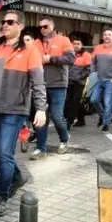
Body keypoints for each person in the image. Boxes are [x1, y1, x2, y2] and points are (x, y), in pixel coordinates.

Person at [0, 10, 46, 217]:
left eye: (11, 22)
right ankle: (18, 177)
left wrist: (41, 108)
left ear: (20, 26)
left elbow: (38, 82)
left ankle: (0, 196)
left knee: (5, 152)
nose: (5, 25)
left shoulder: (30, 50)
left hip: (15, 108)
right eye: (4, 22)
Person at [30, 17, 74, 159]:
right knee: (41, 117)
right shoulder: (36, 43)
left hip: (58, 84)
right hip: (40, 85)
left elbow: (70, 59)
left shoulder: (63, 40)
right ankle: (40, 148)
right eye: (40, 27)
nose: (42, 29)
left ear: (52, 26)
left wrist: (51, 59)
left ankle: (64, 139)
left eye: (45, 26)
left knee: (56, 115)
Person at [90, 30, 112, 131]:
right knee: (93, 100)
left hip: (110, 80)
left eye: (109, 34)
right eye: (105, 34)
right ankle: (103, 115)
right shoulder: (97, 48)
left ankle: (106, 123)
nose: (107, 36)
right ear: (103, 36)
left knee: (108, 102)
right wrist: (93, 72)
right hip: (99, 79)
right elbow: (93, 62)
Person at [64, 38, 91, 128]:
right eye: (74, 43)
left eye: (78, 43)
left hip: (79, 82)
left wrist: (79, 77)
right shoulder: (69, 55)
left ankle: (69, 122)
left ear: (82, 45)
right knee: (73, 101)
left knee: (74, 101)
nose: (76, 45)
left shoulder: (86, 55)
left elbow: (88, 70)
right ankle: (81, 120)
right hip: (69, 81)